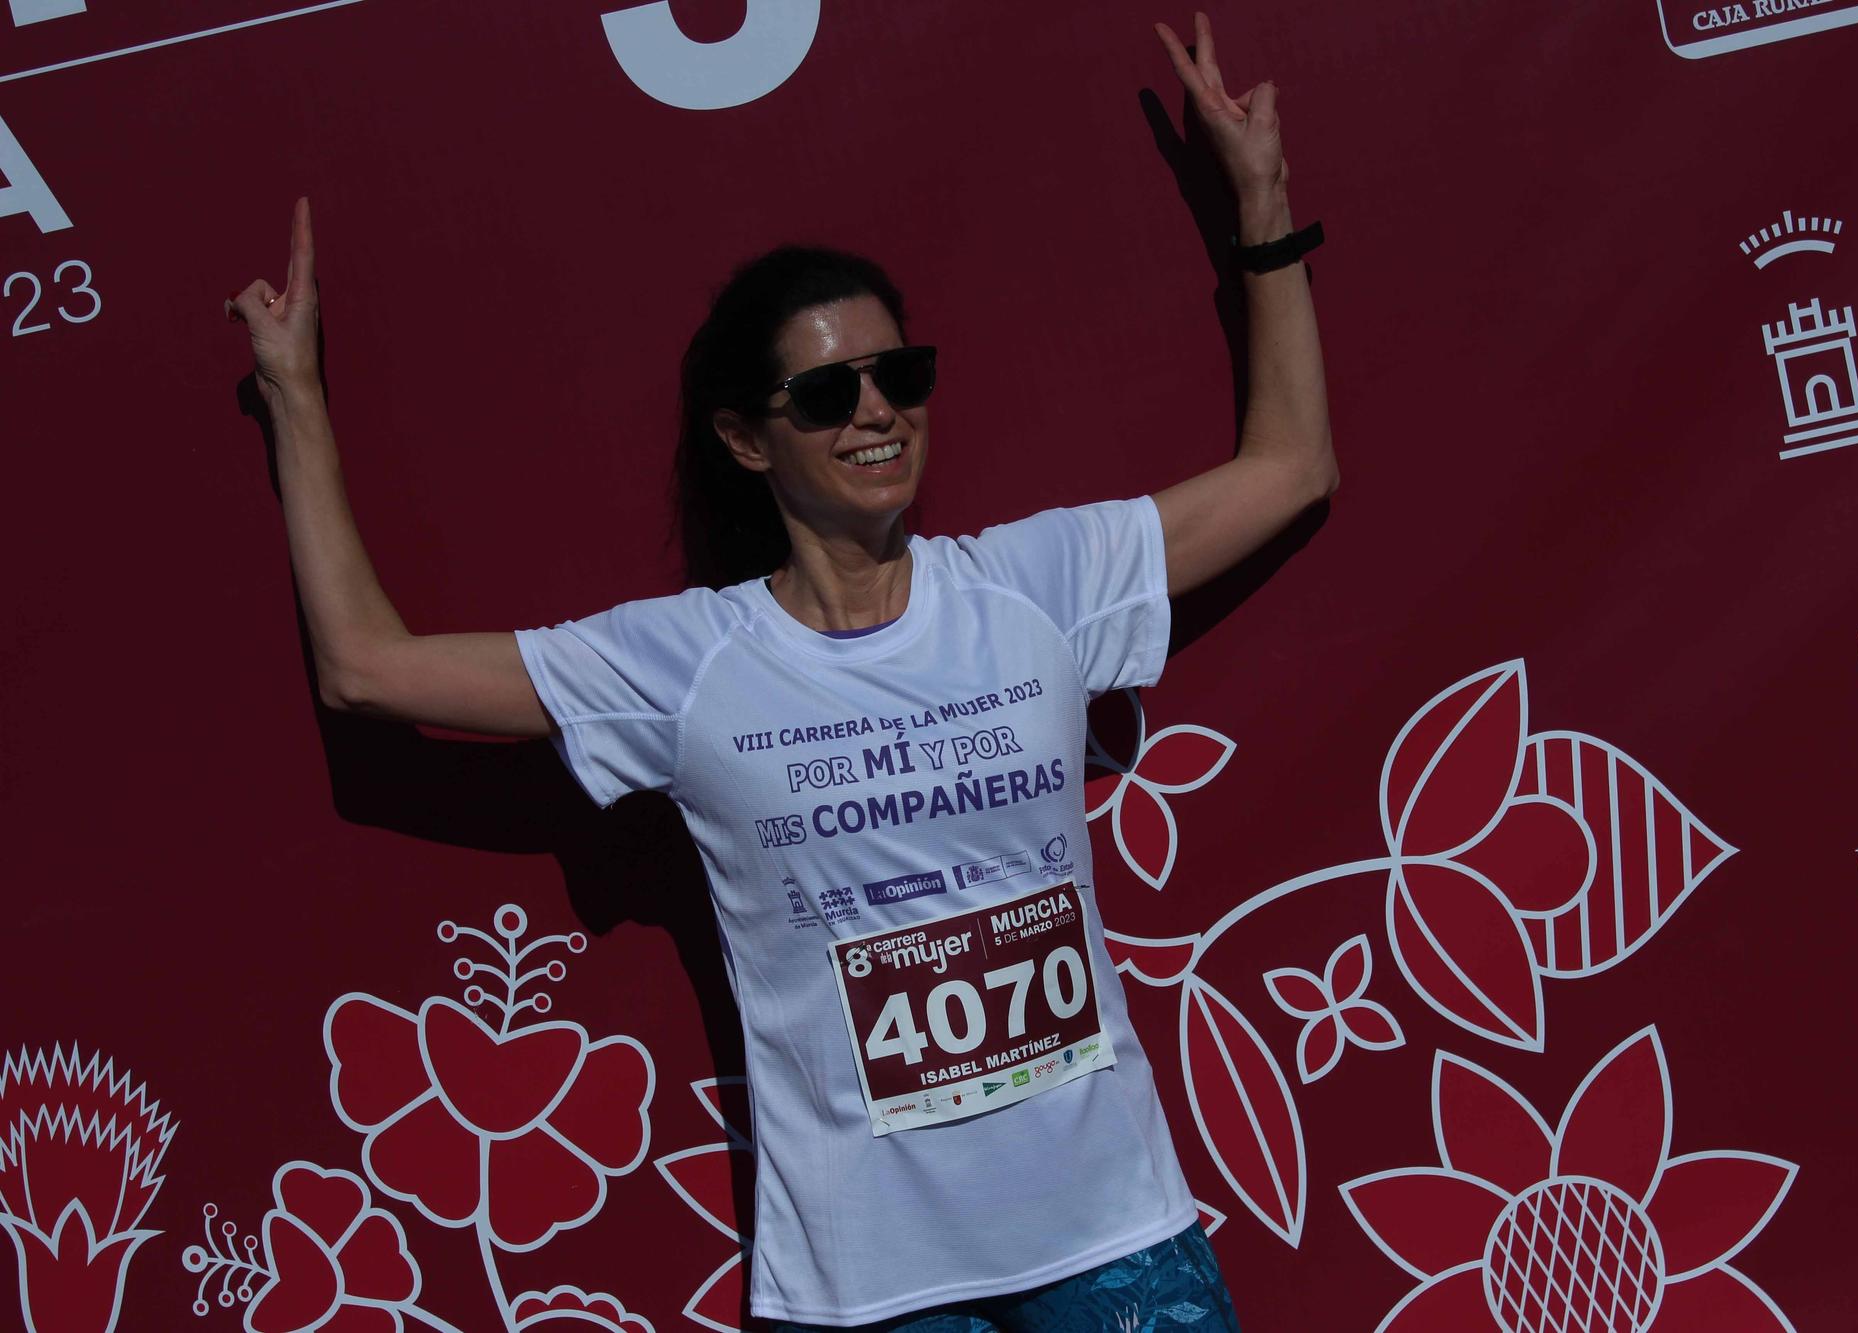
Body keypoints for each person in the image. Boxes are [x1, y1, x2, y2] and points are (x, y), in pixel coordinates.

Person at [226, 13, 1334, 1330]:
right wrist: (297, 397)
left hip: (1113, 1237)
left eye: (897, 374)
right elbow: (366, 669)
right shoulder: (687, 664)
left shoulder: (1038, 584)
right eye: (826, 395)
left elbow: (1291, 469)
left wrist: (1259, 198)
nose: (875, 411)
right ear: (751, 441)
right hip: (872, 1286)